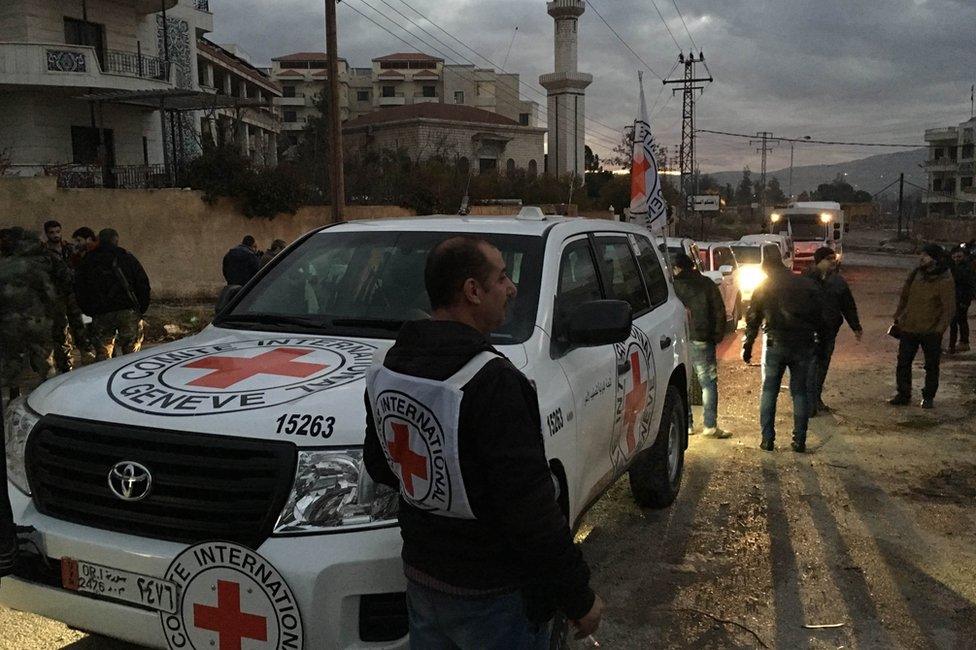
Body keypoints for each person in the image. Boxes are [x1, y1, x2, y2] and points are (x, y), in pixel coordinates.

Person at [363, 236, 602, 648]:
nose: (511, 288)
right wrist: (579, 598)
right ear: (473, 291)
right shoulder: (494, 382)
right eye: (503, 277)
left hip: (423, 582)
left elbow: (380, 465)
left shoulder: (389, 367)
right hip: (494, 601)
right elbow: (532, 512)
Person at [742, 255, 824, 453]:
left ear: (766, 270)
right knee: (799, 392)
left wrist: (748, 345)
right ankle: (800, 440)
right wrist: (818, 342)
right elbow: (819, 316)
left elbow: (753, 318)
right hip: (802, 344)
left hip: (775, 343)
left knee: (769, 390)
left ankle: (767, 439)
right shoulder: (805, 284)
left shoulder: (764, 287)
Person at [0, 228, 68, 398]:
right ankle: (51, 397)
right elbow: (51, 296)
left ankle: (15, 398)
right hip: (36, 323)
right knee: (45, 365)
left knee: (13, 366)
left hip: (13, 325)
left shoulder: (6, 267)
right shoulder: (36, 264)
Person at [672, 252, 731, 438]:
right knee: (708, 382)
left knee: (685, 383)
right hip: (703, 339)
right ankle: (710, 425)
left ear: (677, 268)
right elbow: (719, 311)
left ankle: (688, 425)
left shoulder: (674, 287)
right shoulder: (707, 284)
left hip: (680, 340)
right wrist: (717, 336)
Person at [889, 244, 955, 408]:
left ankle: (928, 396)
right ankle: (903, 394)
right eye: (921, 255)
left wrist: (939, 329)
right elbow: (905, 296)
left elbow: (949, 308)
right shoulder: (916, 274)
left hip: (931, 331)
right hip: (909, 328)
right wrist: (899, 316)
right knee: (903, 362)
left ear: (935, 258)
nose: (921, 258)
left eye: (926, 255)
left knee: (931, 366)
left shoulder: (945, 279)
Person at [75, 229, 151, 361]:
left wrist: (88, 310)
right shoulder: (126, 257)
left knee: (103, 354)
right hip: (127, 311)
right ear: (116, 240)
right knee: (132, 355)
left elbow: (80, 288)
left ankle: (106, 380)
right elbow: (142, 283)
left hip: (100, 313)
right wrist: (141, 308)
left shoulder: (88, 260)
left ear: (99, 240)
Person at [804, 247, 863, 415]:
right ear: (819, 261)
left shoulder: (838, 282)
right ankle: (809, 403)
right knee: (811, 366)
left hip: (829, 332)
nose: (832, 262)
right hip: (809, 332)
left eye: (833, 258)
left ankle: (816, 398)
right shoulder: (806, 279)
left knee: (822, 365)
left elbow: (848, 305)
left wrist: (855, 326)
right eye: (828, 259)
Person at [948, 246, 974, 354]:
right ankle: (956, 344)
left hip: (961, 298)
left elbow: (966, 282)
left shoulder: (966, 268)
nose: (956, 259)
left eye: (959, 256)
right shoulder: (958, 266)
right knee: (957, 321)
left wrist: (966, 300)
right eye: (954, 257)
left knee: (959, 321)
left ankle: (958, 344)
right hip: (956, 298)